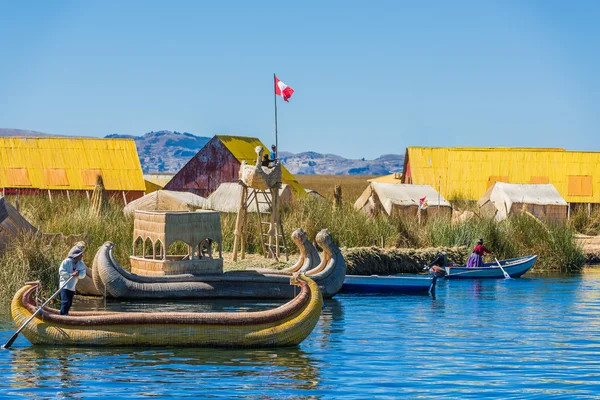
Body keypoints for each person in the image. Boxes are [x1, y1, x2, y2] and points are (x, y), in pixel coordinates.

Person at [58, 244, 87, 315]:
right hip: (64, 285)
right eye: (80, 255)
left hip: (72, 287)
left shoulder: (81, 264)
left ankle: (65, 314)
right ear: (76, 255)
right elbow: (61, 271)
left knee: (69, 303)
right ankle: (62, 317)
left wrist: (78, 274)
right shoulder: (66, 262)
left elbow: (83, 274)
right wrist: (70, 274)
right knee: (65, 301)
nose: (81, 256)